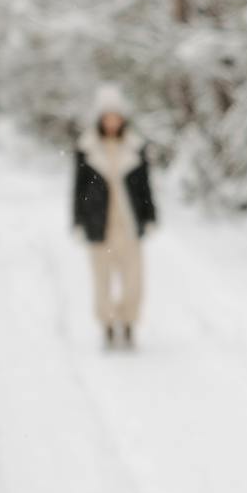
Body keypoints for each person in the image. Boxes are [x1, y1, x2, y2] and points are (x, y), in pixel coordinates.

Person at [71, 84, 158, 350]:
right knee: (102, 280)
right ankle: (108, 325)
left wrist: (150, 216)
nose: (111, 121)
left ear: (122, 119)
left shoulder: (135, 148)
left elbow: (145, 187)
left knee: (133, 280)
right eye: (107, 116)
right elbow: (78, 189)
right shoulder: (86, 149)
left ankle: (128, 323)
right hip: (99, 224)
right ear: (100, 119)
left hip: (128, 225)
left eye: (116, 116)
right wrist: (78, 220)